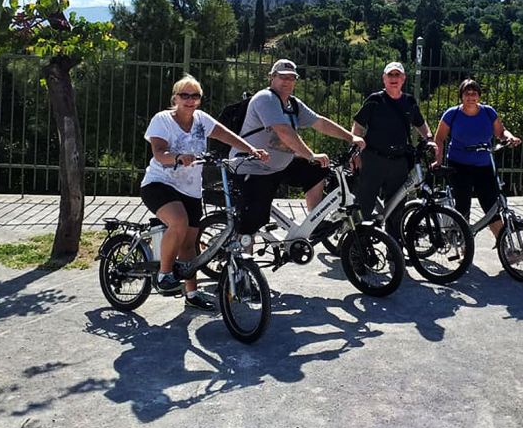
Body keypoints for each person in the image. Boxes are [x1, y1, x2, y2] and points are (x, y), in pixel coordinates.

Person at [140, 74, 269, 311]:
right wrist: (177, 157)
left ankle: (192, 294)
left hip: (190, 190)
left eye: (195, 96)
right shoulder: (163, 120)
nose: (190, 100)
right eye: (184, 95)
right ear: (175, 98)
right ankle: (164, 274)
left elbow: (227, 135)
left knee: (189, 244)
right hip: (160, 183)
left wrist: (252, 150)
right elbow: (158, 152)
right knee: (178, 222)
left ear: (199, 100)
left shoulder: (200, 120)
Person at [230, 58, 365, 235]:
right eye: (282, 77)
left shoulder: (292, 104)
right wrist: (310, 154)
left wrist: (351, 137)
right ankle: (243, 259)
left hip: (278, 167)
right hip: (254, 168)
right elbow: (284, 132)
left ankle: (314, 222)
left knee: (318, 169)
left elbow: (320, 123)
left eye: (291, 78)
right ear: (272, 78)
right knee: (251, 223)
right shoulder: (266, 98)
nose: (286, 81)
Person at [351, 61, 437, 230]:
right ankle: (357, 246)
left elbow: (420, 123)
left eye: (397, 75)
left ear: (403, 79)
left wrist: (428, 138)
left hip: (399, 162)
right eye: (390, 75)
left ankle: (393, 248)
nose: (394, 78)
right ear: (384, 79)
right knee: (364, 203)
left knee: (397, 207)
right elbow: (358, 126)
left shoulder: (409, 102)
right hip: (373, 159)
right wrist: (355, 151)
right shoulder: (375, 100)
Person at [433, 78, 521, 237]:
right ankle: (463, 244)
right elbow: (439, 138)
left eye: (474, 93)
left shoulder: (488, 112)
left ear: (479, 96)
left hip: (483, 165)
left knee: (491, 206)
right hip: (459, 165)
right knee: (463, 206)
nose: (471, 97)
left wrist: (510, 137)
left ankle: (505, 246)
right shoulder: (452, 114)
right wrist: (438, 160)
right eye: (467, 93)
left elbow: (501, 132)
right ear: (461, 96)